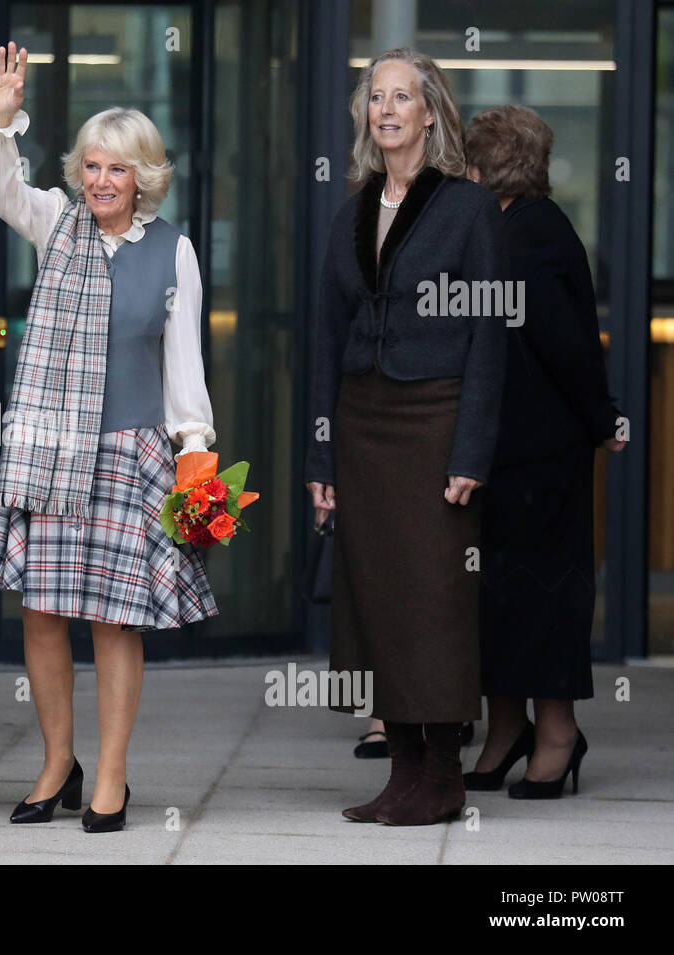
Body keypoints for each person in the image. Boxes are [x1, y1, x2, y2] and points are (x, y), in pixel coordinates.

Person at [0, 43, 218, 833]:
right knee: (42, 610)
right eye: (90, 166)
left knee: (116, 618)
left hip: (131, 453)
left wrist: (196, 461)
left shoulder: (172, 248)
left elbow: (186, 374)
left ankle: (110, 771)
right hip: (53, 445)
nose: (101, 181)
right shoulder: (56, 224)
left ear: (143, 175)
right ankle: (58, 763)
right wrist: (3, 119)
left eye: (117, 169)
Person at [304, 48, 508, 826]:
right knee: (375, 598)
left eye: (402, 97)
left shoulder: (467, 207)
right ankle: (402, 772)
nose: (386, 109)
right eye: (375, 98)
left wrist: (472, 452)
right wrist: (319, 455)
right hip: (361, 422)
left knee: (434, 598)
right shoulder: (353, 208)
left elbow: (490, 335)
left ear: (431, 113)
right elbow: (327, 335)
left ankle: (442, 776)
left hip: (436, 423)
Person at [463, 105, 625, 798]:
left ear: (481, 169)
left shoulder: (532, 237)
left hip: (542, 452)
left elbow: (569, 351)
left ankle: (557, 732)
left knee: (544, 596)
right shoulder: (510, 228)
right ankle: (507, 729)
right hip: (504, 450)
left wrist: (601, 419)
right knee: (497, 597)